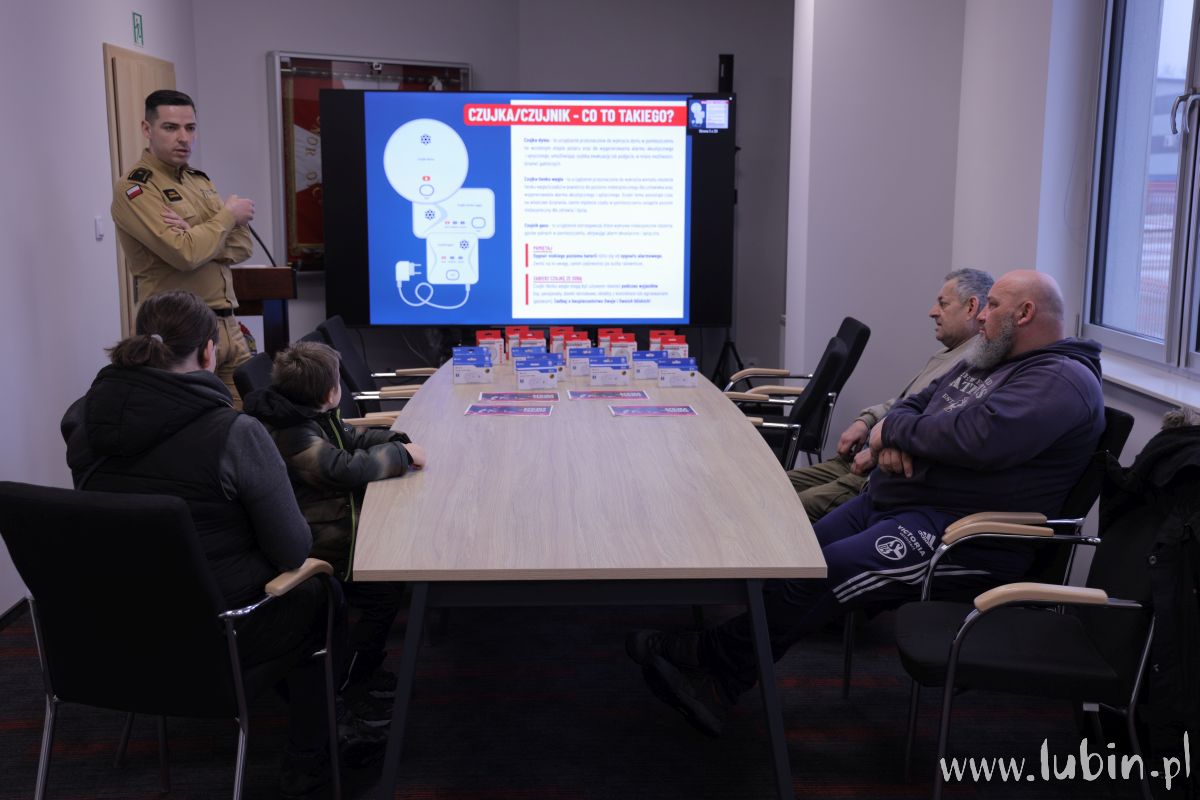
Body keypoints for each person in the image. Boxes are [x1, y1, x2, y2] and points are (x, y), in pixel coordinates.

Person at [628, 270, 1106, 737]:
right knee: (797, 557)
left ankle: (716, 674)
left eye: (994, 306)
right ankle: (717, 662)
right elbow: (913, 403)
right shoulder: (987, 359)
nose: (983, 316)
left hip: (960, 535)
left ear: (1025, 313)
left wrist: (893, 433)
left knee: (826, 572)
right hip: (893, 500)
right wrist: (893, 430)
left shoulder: (1059, 379)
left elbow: (977, 439)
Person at [60, 290, 344, 796]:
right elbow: (292, 551)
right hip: (220, 632)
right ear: (210, 352)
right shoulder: (234, 433)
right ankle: (311, 755)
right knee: (319, 594)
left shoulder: (82, 422)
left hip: (109, 629)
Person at [243, 341, 427, 720]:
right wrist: (400, 456)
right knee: (383, 596)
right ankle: (350, 682)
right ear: (331, 392)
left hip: (330, 524)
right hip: (321, 545)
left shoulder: (307, 414)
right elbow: (341, 468)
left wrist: (396, 440)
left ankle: (363, 669)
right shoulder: (293, 433)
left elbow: (350, 440)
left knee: (390, 583)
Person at [788, 269, 993, 521]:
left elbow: (931, 427)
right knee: (775, 485)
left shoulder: (972, 365)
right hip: (861, 456)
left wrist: (879, 448)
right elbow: (905, 403)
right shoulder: (948, 354)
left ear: (971, 307)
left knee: (788, 507)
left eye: (943, 304)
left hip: (876, 472)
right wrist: (867, 420)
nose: (932, 312)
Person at [111, 89, 257, 407]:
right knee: (194, 427)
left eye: (190, 128)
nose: (183, 138)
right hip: (179, 333)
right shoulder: (136, 188)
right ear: (147, 129)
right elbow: (185, 255)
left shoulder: (198, 181)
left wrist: (196, 235)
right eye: (170, 127)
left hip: (228, 326)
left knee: (249, 421)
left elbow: (243, 245)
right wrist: (226, 217)